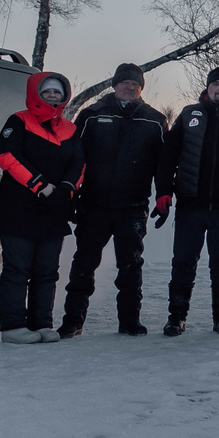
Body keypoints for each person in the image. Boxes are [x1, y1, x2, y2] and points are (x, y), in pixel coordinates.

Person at [63, 63, 168, 337]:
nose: (129, 87)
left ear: (141, 88)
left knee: (131, 266)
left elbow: (163, 165)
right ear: (115, 85)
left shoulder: (154, 119)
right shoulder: (91, 115)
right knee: (84, 264)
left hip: (132, 206)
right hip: (93, 203)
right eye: (124, 82)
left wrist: (164, 195)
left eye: (135, 83)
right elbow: (75, 158)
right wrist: (72, 194)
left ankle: (130, 321)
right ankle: (73, 320)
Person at [160, 66, 219, 336]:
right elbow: (168, 156)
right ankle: (176, 317)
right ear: (208, 88)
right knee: (183, 262)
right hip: (191, 205)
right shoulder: (190, 114)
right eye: (216, 85)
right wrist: (163, 191)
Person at [0, 71, 82, 342]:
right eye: (47, 91)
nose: (52, 96)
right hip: (19, 209)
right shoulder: (18, 121)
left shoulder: (70, 129)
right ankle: (13, 327)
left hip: (54, 211)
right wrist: (40, 185)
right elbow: (8, 157)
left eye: (57, 92)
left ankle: (42, 324)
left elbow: (79, 164)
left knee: (47, 270)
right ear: (36, 93)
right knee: (18, 268)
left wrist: (68, 187)